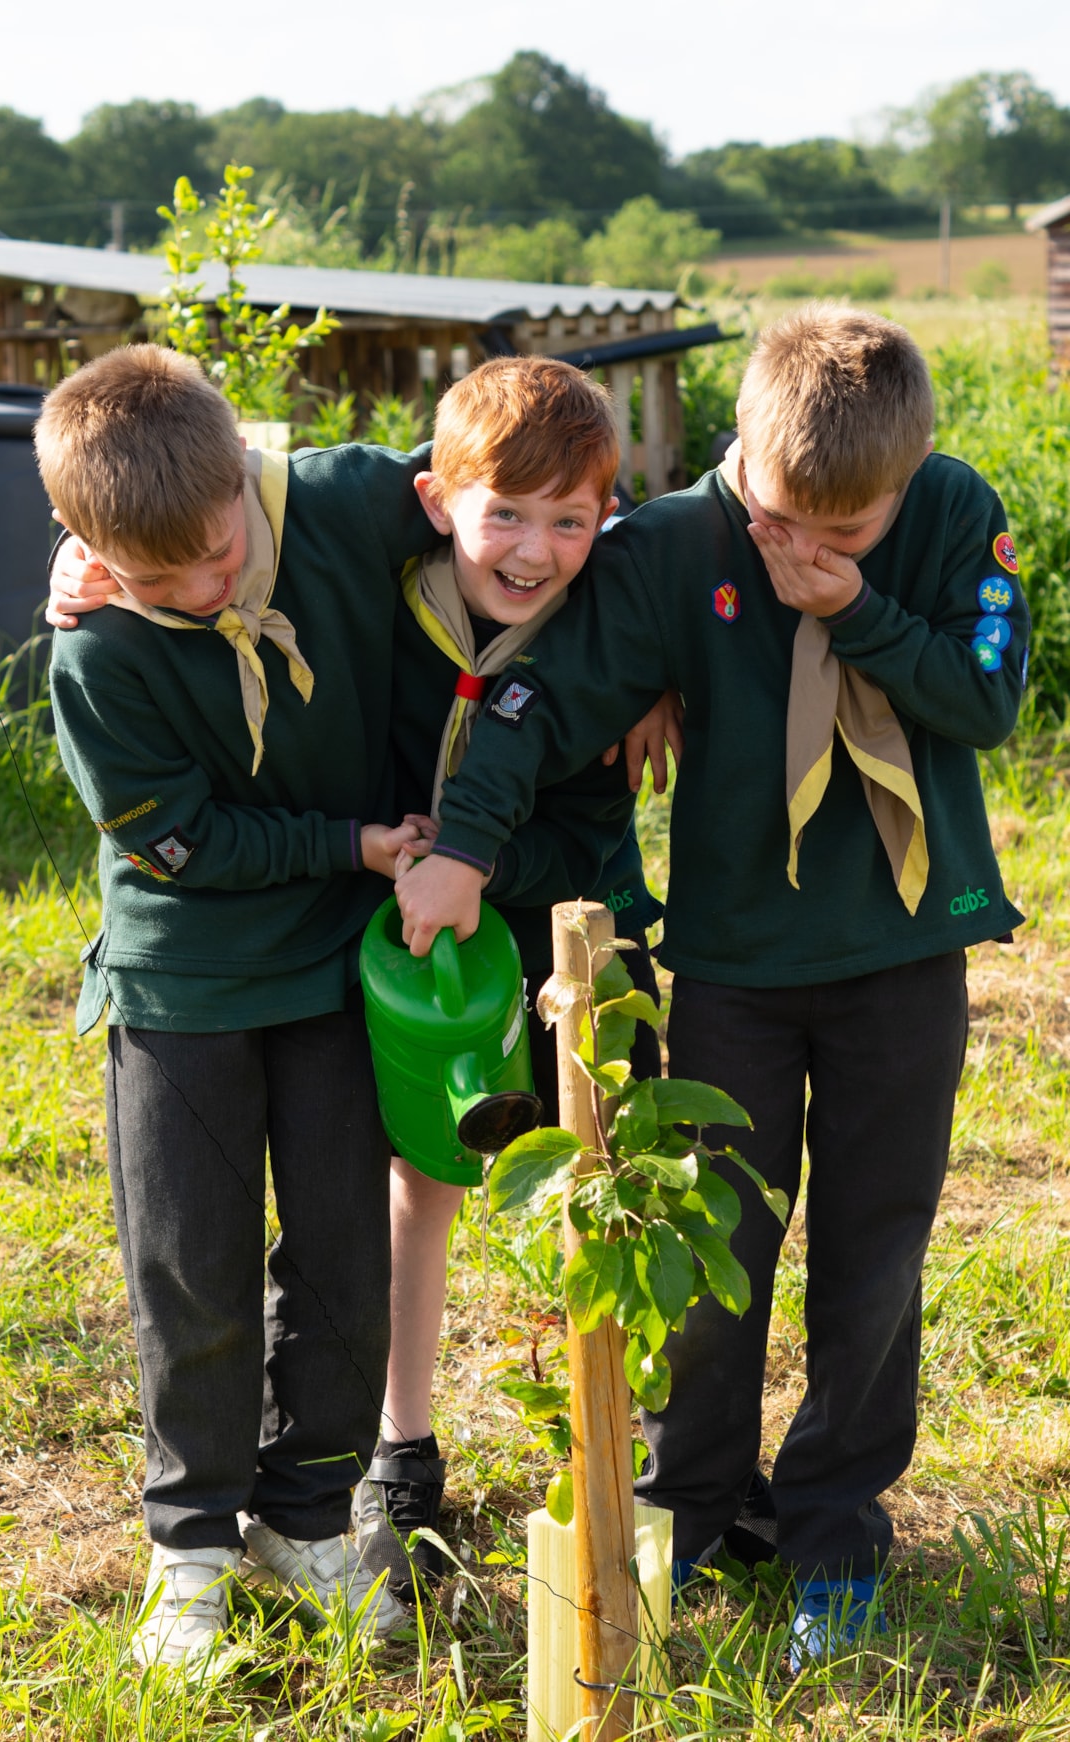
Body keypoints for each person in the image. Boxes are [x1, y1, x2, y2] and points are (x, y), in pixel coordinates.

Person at [391, 305, 1029, 1666]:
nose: (808, 546)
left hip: (901, 957)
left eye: (852, 529)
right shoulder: (677, 545)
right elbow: (536, 697)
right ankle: (697, 1505)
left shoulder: (951, 513)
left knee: (876, 1254)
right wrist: (460, 846)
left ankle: (835, 1526)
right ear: (744, 451)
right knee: (717, 1246)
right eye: (789, 518)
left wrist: (857, 607)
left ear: (907, 481)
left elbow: (986, 701)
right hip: (736, 964)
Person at [36, 344, 439, 1668]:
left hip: (331, 969)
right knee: (191, 1263)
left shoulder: (345, 500)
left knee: (341, 1256)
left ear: (245, 486)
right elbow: (184, 842)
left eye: (215, 556)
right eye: (156, 581)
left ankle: (309, 1514)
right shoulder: (97, 654)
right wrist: (350, 843)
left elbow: (501, 497)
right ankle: (192, 1544)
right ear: (88, 550)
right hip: (186, 976)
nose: (202, 593)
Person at [350, 356, 666, 1601]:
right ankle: (401, 1444)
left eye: (570, 520)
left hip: (572, 934)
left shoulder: (610, 622)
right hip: (424, 944)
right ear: (440, 501)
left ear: (607, 516)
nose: (534, 549)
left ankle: (613, 1429)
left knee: (601, 1170)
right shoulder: (383, 590)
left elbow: (588, 823)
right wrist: (78, 565)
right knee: (419, 1177)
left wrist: (485, 861)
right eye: (508, 515)